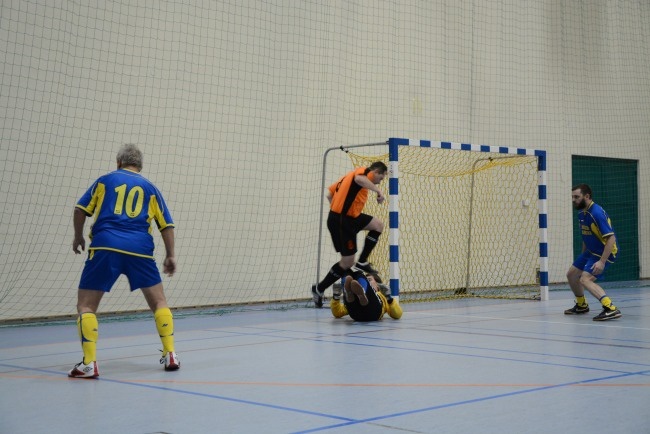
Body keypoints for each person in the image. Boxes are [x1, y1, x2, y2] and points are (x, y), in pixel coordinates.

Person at [68, 144, 180, 378]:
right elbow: (166, 225)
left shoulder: (105, 180)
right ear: (139, 165)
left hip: (105, 246)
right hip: (140, 249)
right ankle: (171, 353)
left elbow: (80, 209)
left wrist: (78, 236)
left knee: (86, 306)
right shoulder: (151, 188)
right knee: (159, 302)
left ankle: (89, 364)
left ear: (118, 162)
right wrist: (170, 255)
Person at [312, 161, 388, 308]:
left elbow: (330, 194)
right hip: (343, 221)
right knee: (347, 262)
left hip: (349, 218)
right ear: (377, 172)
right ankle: (319, 289)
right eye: (381, 178)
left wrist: (338, 208)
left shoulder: (346, 179)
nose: (379, 182)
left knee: (378, 225)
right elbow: (360, 179)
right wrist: (378, 191)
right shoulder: (362, 173)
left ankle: (363, 261)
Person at [564, 184, 622, 321]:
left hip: (605, 252)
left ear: (587, 196)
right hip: (591, 251)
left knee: (585, 279)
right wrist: (583, 256)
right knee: (572, 274)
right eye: (572, 197)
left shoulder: (596, 213)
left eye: (576, 197)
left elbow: (611, 238)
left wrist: (601, 262)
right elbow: (587, 235)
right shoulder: (582, 213)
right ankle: (581, 305)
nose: (573, 200)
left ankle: (610, 308)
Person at [330, 269, 402, 321]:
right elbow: (338, 313)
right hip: (357, 315)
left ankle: (358, 292)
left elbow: (398, 314)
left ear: (378, 286)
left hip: (373, 312)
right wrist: (336, 296)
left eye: (369, 280)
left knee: (359, 274)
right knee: (345, 272)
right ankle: (349, 292)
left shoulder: (382, 296)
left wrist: (389, 298)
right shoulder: (356, 291)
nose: (368, 282)